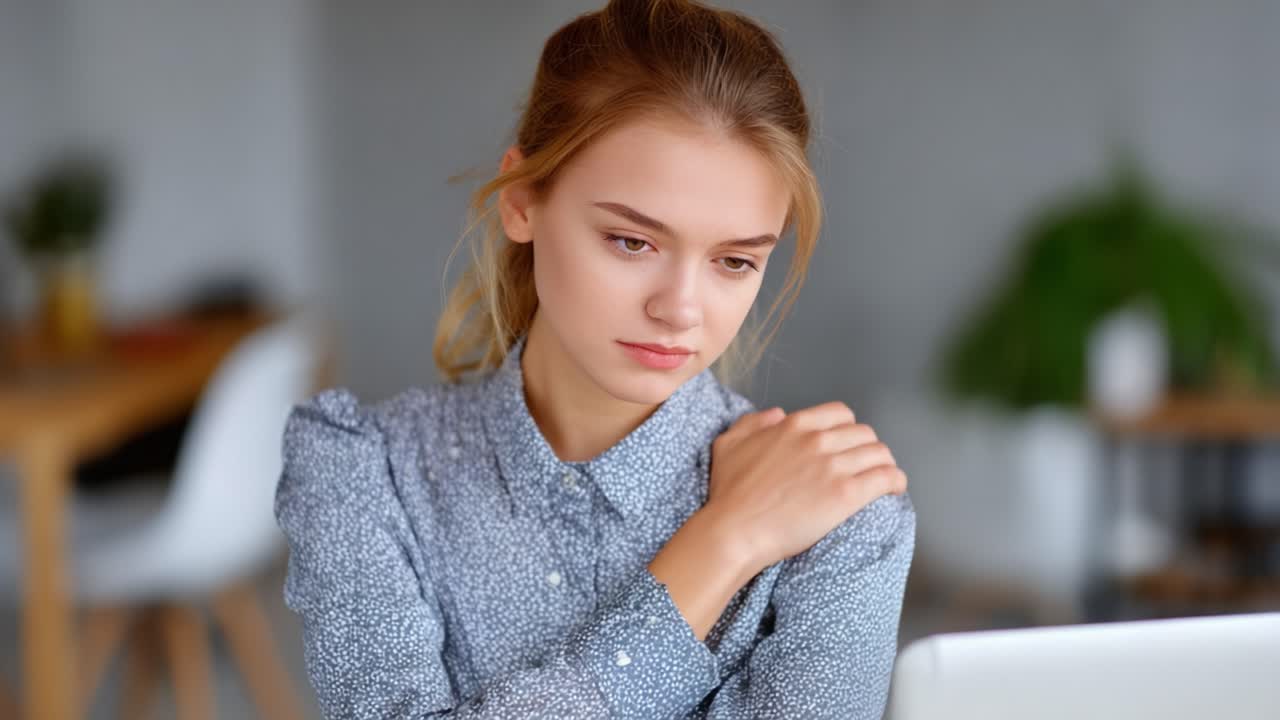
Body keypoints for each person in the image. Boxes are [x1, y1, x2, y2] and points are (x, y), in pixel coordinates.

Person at [274, 0, 916, 717]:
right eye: (631, 242)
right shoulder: (358, 470)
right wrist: (721, 543)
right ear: (522, 201)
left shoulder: (841, 515)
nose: (679, 308)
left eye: (733, 261)